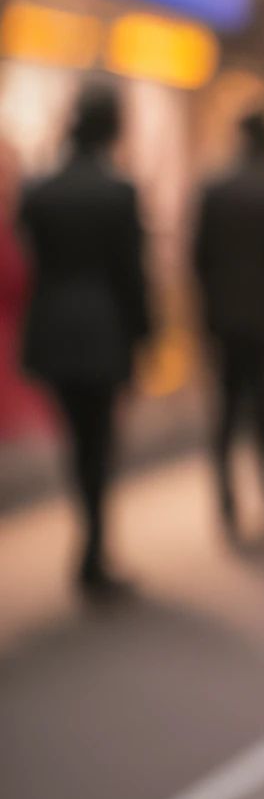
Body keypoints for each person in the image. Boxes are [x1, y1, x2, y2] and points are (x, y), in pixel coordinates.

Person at [17, 85, 150, 595]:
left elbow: (28, 261)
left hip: (52, 328)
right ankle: (93, 548)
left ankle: (91, 543)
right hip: (104, 331)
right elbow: (131, 275)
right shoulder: (118, 192)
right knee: (99, 442)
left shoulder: (40, 189)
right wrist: (143, 336)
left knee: (79, 440)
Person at [192, 110, 264, 543]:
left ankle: (225, 497)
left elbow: (199, 259)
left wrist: (208, 308)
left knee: (225, 406)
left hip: (223, 315)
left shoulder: (215, 189)